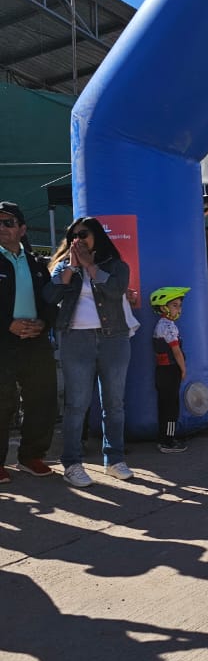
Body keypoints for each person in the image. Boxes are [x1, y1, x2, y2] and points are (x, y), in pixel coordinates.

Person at [45, 217, 134, 487]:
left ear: (97, 236)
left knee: (114, 404)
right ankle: (72, 463)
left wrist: (90, 266)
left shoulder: (115, 265)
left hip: (113, 339)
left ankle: (114, 459)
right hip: (76, 340)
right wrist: (73, 267)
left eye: (83, 234)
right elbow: (50, 296)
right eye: (73, 236)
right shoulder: (64, 266)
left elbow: (115, 290)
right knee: (76, 405)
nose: (78, 240)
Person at [0, 201, 58, 483]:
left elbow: (50, 303)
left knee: (42, 398)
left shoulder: (36, 263)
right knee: (2, 401)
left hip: (35, 341)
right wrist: (8, 323)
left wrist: (43, 323)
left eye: (8, 223)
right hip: (3, 342)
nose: (1, 228)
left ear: (22, 229)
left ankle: (32, 456)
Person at [150, 287, 189, 453]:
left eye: (179, 305)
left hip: (162, 371)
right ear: (163, 307)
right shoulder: (169, 327)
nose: (178, 309)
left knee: (164, 406)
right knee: (172, 408)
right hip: (171, 371)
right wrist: (183, 369)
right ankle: (169, 440)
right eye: (174, 305)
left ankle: (163, 438)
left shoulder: (161, 325)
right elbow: (176, 351)